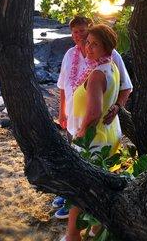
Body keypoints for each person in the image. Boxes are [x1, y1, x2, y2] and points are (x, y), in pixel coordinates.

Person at [53, 17, 132, 219]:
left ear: (89, 31)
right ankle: (70, 197)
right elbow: (63, 86)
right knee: (74, 163)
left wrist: (116, 107)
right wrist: (62, 112)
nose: (79, 37)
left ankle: (79, 209)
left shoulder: (111, 57)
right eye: (75, 33)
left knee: (88, 168)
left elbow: (126, 87)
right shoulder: (70, 54)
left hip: (92, 128)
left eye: (83, 32)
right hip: (73, 119)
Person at [61, 24, 122, 241]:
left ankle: (72, 236)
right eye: (88, 42)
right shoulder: (110, 67)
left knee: (80, 189)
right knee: (101, 187)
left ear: (107, 47)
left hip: (94, 139)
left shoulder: (97, 74)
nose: (88, 47)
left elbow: (95, 112)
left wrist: (80, 133)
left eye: (95, 44)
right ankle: (97, 230)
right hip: (108, 134)